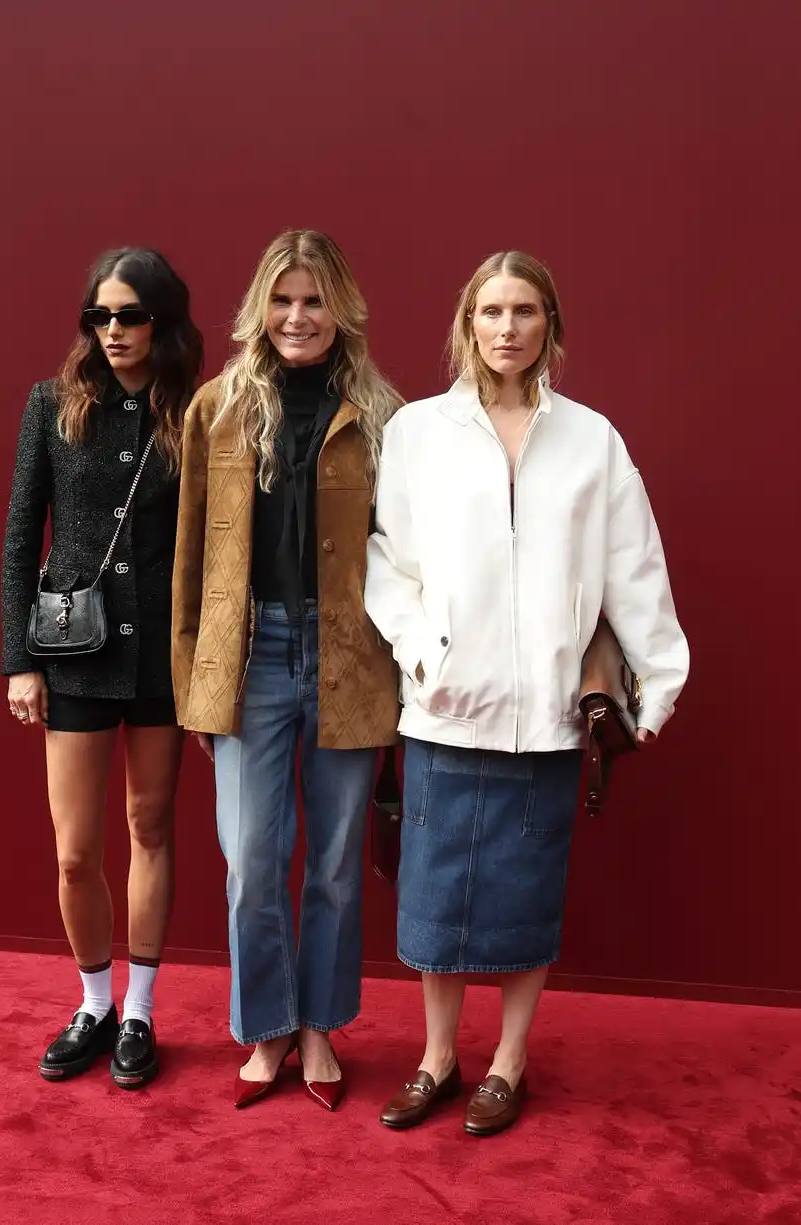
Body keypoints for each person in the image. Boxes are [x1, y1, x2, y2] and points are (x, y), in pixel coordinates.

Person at [364, 250, 689, 1136]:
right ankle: (436, 1057)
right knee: (432, 897)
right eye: (492, 311)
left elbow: (635, 568)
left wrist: (656, 686)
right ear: (467, 323)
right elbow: (387, 563)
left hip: (545, 717)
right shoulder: (419, 432)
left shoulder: (593, 441)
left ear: (551, 325)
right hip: (444, 707)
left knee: (525, 893)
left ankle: (508, 1061)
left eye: (526, 311)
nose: (508, 328)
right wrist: (424, 654)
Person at [172, 229, 401, 1111]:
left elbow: (407, 557)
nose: (297, 317)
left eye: (313, 300)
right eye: (283, 300)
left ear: (340, 307)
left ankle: (319, 1026)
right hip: (251, 654)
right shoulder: (215, 410)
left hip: (350, 653)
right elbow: (189, 553)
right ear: (259, 309)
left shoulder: (386, 415)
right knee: (252, 859)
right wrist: (195, 675)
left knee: (336, 863)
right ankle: (266, 1026)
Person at [0, 248, 203, 1087]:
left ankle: (143, 1011)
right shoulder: (51, 405)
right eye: (100, 316)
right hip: (74, 656)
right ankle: (94, 1002)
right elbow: (20, 541)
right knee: (76, 853)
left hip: (160, 655)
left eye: (129, 316)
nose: (112, 331)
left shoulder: (194, 410)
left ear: (162, 321)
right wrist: (20, 661)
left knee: (150, 828)